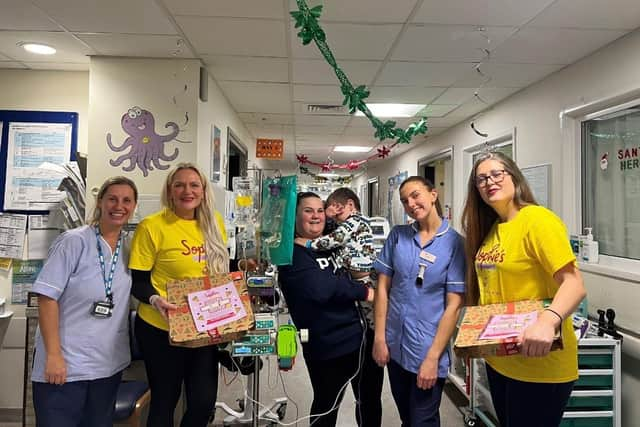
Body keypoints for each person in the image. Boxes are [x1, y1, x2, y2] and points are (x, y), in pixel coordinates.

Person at [461, 151, 586, 427]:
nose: (489, 182)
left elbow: (574, 283)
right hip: (502, 359)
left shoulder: (538, 220)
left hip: (539, 363)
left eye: (497, 173)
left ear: (514, 177)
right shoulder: (493, 228)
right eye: (481, 179)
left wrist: (549, 319)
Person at [31, 176, 138, 427]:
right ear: (100, 202)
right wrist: (54, 356)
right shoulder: (74, 241)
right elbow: (46, 298)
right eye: (112, 199)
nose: (118, 206)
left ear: (134, 206)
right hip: (65, 367)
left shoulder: (130, 248)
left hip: (107, 368)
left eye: (126, 200)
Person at [129, 162, 229, 427]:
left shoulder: (214, 223)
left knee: (203, 403)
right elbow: (138, 282)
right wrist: (154, 299)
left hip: (202, 328)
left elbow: (218, 271)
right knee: (165, 399)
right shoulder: (152, 226)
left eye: (194, 185)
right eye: (180, 185)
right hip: (161, 326)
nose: (188, 191)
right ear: (170, 191)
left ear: (204, 190)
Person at [279, 192, 382, 427]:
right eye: (307, 210)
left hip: (363, 341)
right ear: (294, 217)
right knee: (326, 407)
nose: (316, 216)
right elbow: (322, 289)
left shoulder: (333, 241)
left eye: (319, 210)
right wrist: (364, 292)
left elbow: (349, 225)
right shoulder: (292, 254)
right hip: (328, 347)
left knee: (369, 404)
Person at [373, 176, 465, 427]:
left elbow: (454, 305)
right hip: (394, 346)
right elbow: (382, 289)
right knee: (407, 417)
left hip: (427, 349)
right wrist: (380, 338)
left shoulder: (454, 244)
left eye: (416, 195)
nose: (411, 204)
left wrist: (433, 357)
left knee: (422, 420)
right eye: (405, 200)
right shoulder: (398, 236)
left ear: (433, 194)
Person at [294, 187, 375, 284]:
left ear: (350, 205)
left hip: (359, 274)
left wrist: (309, 244)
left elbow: (335, 238)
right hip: (359, 276)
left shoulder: (354, 221)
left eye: (337, 215)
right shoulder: (362, 221)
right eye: (308, 211)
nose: (336, 221)